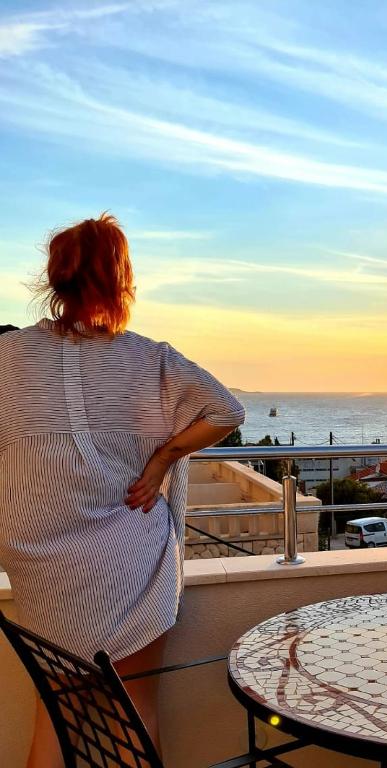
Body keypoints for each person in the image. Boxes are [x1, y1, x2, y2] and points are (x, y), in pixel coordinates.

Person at [0, 213, 245, 767]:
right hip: (125, 560)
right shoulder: (149, 356)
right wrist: (159, 461)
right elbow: (226, 411)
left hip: (38, 560)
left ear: (56, 278)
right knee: (133, 712)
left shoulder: (8, 357)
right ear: (120, 278)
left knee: (56, 716)